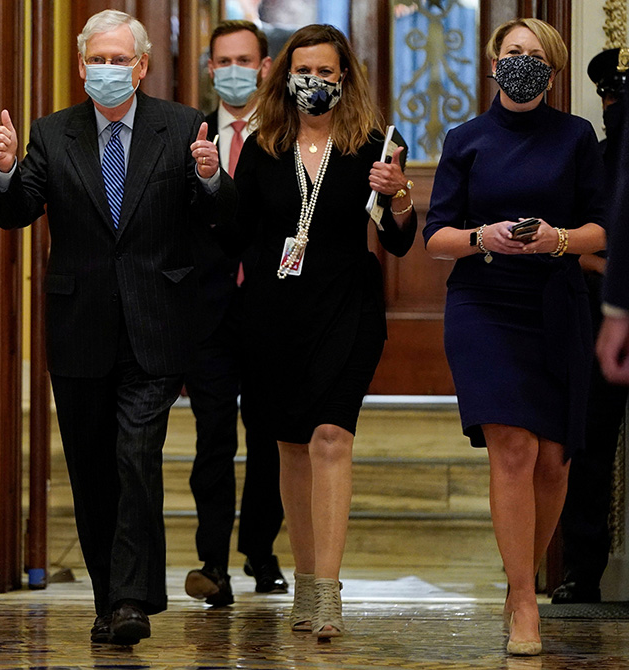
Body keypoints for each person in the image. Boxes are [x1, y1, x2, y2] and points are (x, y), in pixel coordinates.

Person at [0, 9, 236, 646]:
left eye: (118, 59)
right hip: (79, 330)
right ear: (80, 65)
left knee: (134, 457)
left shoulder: (182, 127)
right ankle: (112, 598)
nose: (107, 70)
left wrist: (210, 178)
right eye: (96, 59)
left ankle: (129, 600)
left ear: (142, 66)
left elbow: (224, 220)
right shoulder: (51, 132)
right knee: (94, 470)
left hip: (156, 328)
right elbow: (16, 213)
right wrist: (6, 169)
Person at [219, 24, 416, 639]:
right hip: (273, 316)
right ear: (284, 77)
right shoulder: (263, 146)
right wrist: (208, 182)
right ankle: (304, 581)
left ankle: (328, 592)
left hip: (348, 309)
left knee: (331, 435)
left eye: (327, 72)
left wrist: (401, 194)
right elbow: (232, 235)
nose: (315, 82)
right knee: (292, 446)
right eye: (304, 71)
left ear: (345, 78)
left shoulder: (375, 145)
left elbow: (399, 239)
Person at [424, 19, 606, 656]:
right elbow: (437, 236)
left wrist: (556, 238)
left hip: (557, 304)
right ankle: (523, 598)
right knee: (514, 448)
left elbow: (601, 231)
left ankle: (516, 583)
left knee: (553, 460)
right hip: (485, 304)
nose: (521, 63)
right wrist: (485, 237)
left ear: (551, 69)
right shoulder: (465, 139)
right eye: (511, 53)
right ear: (493, 61)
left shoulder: (576, 136)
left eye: (534, 55)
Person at [183, 19, 286, 609]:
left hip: (271, 308)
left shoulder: (285, 136)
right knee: (212, 441)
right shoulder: (186, 134)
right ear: (210, 68)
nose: (233, 71)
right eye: (222, 61)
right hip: (207, 313)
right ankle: (213, 563)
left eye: (244, 60)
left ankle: (261, 551)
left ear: (266, 66)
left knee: (269, 439)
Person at [552, 47, 629, 605]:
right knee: (591, 445)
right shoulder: (595, 161)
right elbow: (565, 243)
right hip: (600, 315)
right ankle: (582, 569)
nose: (613, 105)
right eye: (607, 94)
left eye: (622, 94)